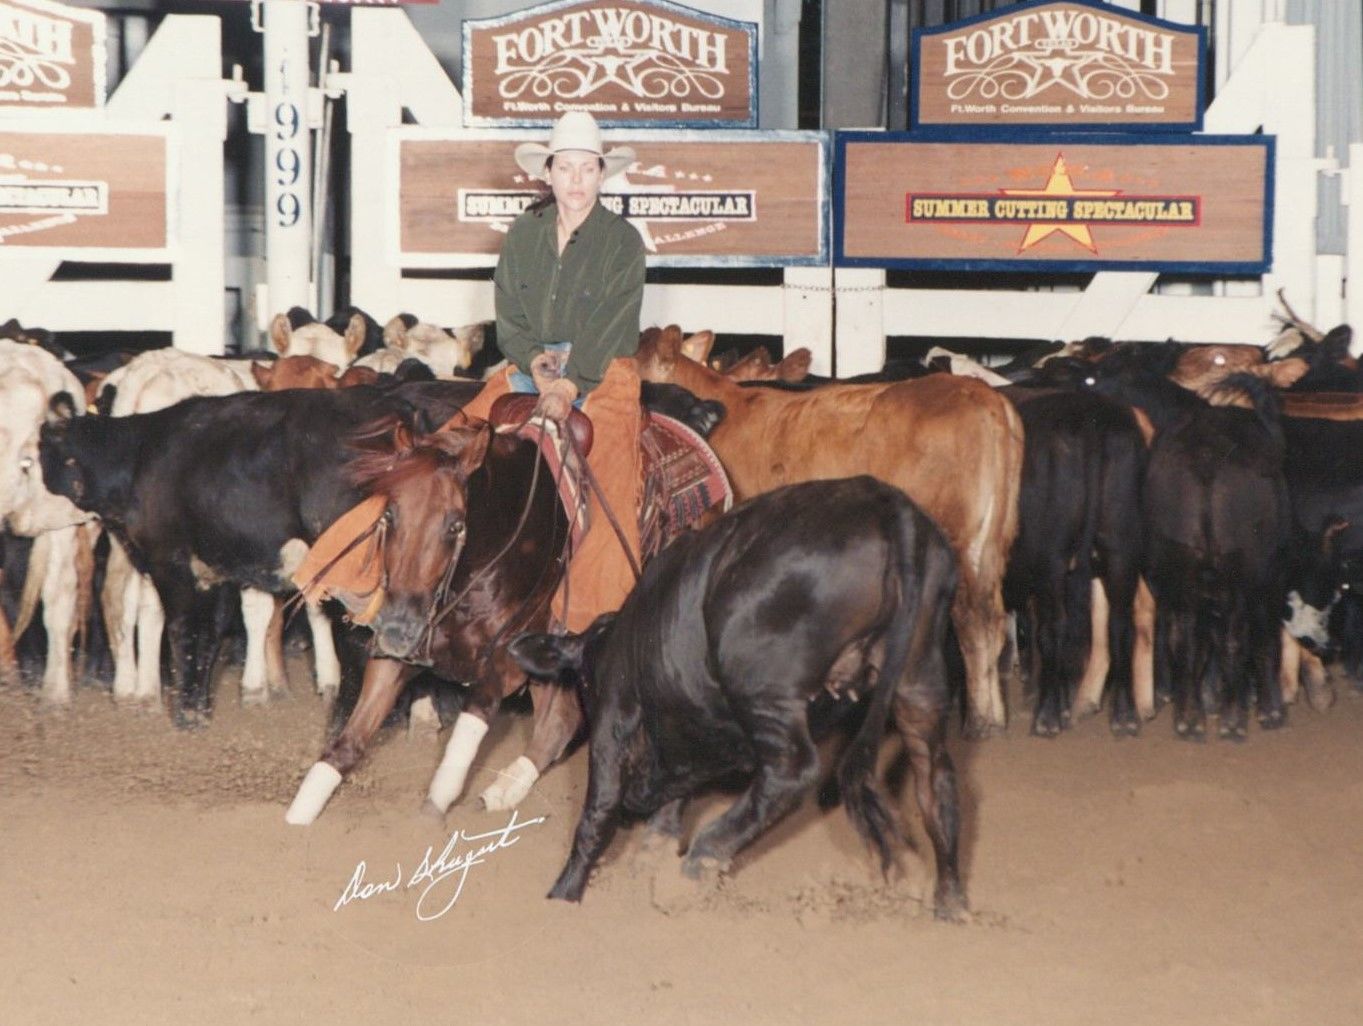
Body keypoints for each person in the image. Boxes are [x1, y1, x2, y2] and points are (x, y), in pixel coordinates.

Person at [294, 112, 648, 635]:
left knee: (610, 474)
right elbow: (510, 315)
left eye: (587, 168)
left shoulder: (622, 241)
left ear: (601, 174)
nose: (576, 180)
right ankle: (353, 571)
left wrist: (570, 384)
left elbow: (611, 322)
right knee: (435, 453)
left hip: (603, 368)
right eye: (565, 168)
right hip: (531, 364)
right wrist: (533, 361)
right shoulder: (524, 234)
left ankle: (591, 621)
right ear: (548, 173)